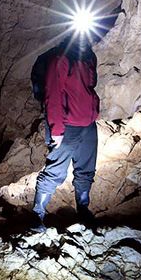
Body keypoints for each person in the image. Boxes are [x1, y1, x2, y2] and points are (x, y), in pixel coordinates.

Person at [31, 33, 100, 229]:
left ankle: (83, 209)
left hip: (88, 125)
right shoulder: (60, 59)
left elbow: (89, 89)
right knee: (55, 171)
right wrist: (57, 130)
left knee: (86, 170)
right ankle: (37, 213)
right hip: (66, 126)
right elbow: (53, 95)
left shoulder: (89, 58)